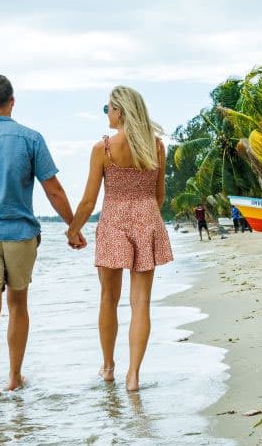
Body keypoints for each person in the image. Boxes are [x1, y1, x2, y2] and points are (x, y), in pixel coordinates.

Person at [0, 74, 86, 401]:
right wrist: (72, 226)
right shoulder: (31, 139)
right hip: (21, 236)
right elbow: (53, 189)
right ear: (12, 101)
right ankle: (14, 378)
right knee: (18, 304)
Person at [67, 85, 174, 392]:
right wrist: (146, 213)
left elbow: (89, 201)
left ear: (120, 111)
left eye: (108, 109)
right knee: (141, 303)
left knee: (108, 299)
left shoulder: (103, 149)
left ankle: (109, 366)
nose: (107, 115)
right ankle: (134, 375)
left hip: (113, 220)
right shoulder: (156, 147)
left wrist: (74, 229)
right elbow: (159, 194)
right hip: (146, 217)